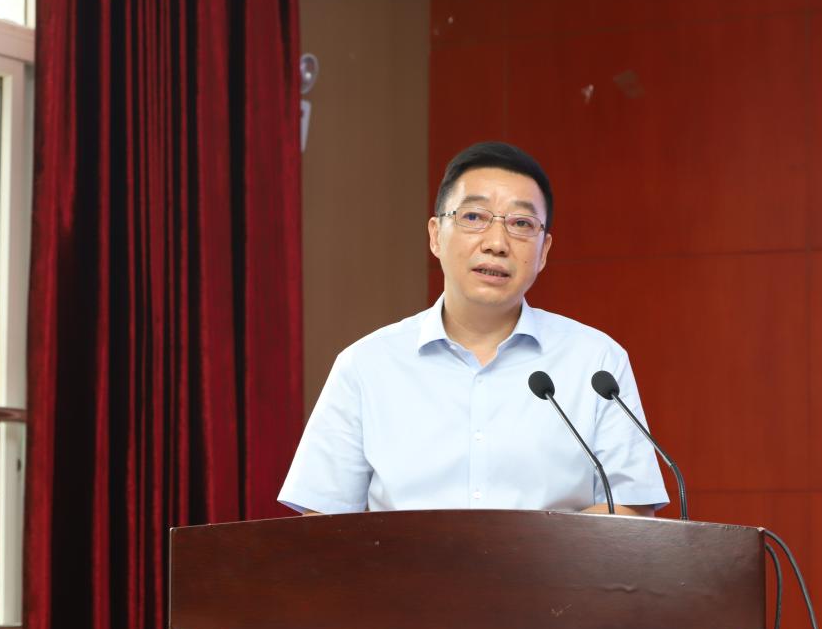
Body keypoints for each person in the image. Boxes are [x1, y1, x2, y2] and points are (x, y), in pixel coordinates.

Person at [278, 142, 668, 516]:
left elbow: (632, 507)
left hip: (554, 569)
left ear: (544, 252)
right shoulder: (365, 366)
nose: (496, 243)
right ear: (436, 236)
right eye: (474, 217)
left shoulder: (596, 362)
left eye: (521, 223)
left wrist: (526, 551)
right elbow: (324, 519)